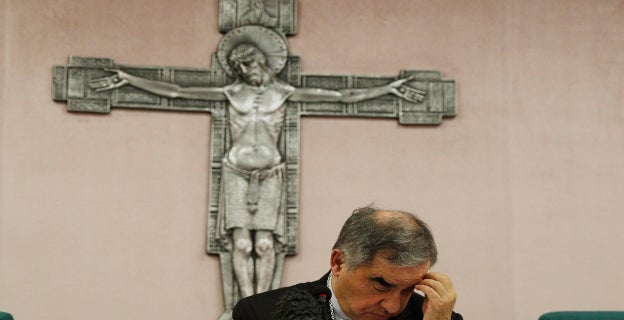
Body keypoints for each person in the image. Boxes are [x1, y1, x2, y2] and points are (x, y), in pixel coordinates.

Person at [89, 43, 424, 303]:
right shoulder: (231, 92)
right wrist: (128, 79)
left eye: (247, 64)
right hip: (235, 171)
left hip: (269, 175)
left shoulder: (283, 93)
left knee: (264, 245)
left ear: (261, 63)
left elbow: (340, 96)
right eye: (239, 67)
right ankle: (246, 304)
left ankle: (262, 304)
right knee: (239, 244)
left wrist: (388, 89)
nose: (245, 71)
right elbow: (178, 91)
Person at [233, 206, 462, 320]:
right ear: (339, 262)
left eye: (409, 289)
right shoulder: (262, 314)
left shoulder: (435, 318)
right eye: (382, 284)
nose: (393, 307)